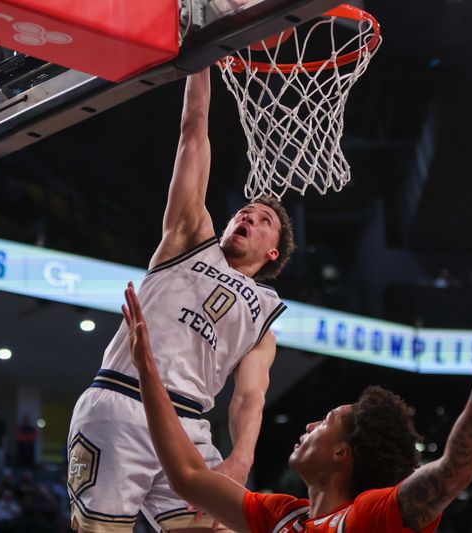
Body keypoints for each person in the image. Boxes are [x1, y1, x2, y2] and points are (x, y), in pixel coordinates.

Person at [121, 281, 472, 532]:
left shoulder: (371, 517)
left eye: (325, 421)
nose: (309, 425)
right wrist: (147, 372)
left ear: (342, 453)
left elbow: (454, 470)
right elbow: (188, 475)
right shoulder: (283, 516)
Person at [67, 68, 295, 532]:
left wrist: (238, 460)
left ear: (273, 252)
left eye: (263, 218)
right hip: (121, 402)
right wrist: (199, 60)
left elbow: (250, 397)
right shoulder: (189, 237)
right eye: (243, 212)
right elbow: (193, 131)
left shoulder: (263, 318)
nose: (247, 216)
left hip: (190, 425)